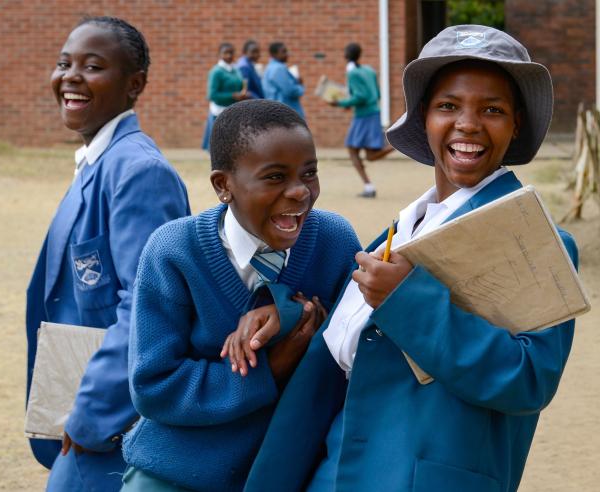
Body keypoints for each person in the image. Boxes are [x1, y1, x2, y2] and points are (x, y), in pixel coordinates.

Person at [243, 25, 579, 491]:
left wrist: (408, 301)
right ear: (424, 117)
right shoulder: (398, 232)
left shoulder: (535, 241)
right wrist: (286, 313)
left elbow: (527, 380)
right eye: (448, 106)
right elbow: (345, 353)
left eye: (493, 110)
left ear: (515, 123)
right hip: (333, 472)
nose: (467, 123)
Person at [119, 99, 362, 491]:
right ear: (223, 185)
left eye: (309, 173)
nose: (300, 192)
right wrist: (267, 372)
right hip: (178, 470)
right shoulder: (173, 252)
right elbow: (154, 385)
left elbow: (350, 352)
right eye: (274, 177)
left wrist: (291, 311)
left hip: (289, 469)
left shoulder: (334, 241)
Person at [24, 16, 190, 492]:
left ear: (134, 84)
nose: (70, 76)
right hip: (82, 405)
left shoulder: (137, 172)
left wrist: (91, 415)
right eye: (63, 63)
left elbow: (147, 306)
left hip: (113, 419)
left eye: (92, 66)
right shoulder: (98, 162)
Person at [331, 43, 394, 198]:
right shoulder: (369, 70)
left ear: (346, 55)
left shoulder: (352, 74)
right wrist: (350, 102)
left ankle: (395, 144)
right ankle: (369, 186)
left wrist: (340, 103)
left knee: (356, 151)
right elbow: (376, 94)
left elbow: (360, 97)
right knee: (366, 154)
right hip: (372, 113)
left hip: (363, 116)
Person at [201, 42, 248, 150]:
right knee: (219, 146)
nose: (229, 56)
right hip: (219, 112)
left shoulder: (235, 69)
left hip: (234, 110)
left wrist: (243, 92)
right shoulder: (216, 72)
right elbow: (212, 95)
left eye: (231, 53)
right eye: (225, 53)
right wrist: (232, 95)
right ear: (219, 54)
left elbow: (240, 84)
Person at [263, 42, 305, 119]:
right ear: (274, 54)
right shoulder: (278, 68)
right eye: (284, 51)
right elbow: (290, 91)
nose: (287, 54)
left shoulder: (269, 68)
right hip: (286, 114)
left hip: (276, 112)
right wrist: (300, 86)